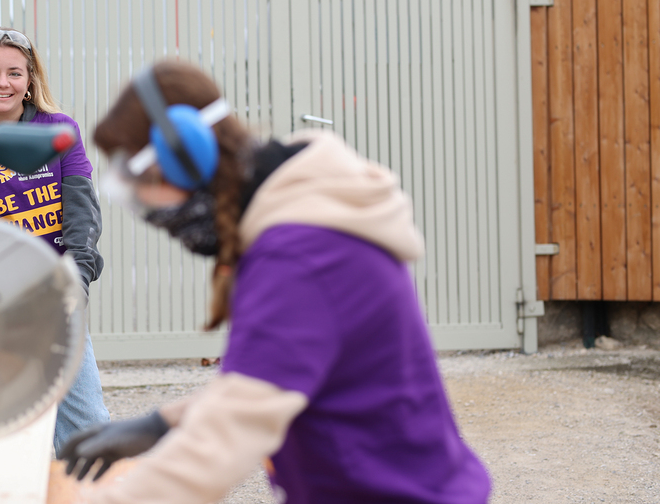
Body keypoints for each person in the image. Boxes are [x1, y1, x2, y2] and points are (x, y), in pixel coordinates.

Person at [61, 59, 491, 503]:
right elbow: (268, 375)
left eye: (141, 181)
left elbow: (235, 426)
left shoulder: (302, 255)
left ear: (186, 157)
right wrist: (163, 423)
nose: (148, 209)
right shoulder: (302, 225)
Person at [0, 26, 110, 455]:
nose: (3, 83)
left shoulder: (60, 131)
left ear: (30, 79)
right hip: (2, 305)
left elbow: (82, 216)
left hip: (59, 298)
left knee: (88, 430)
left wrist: (75, 282)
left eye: (14, 73)